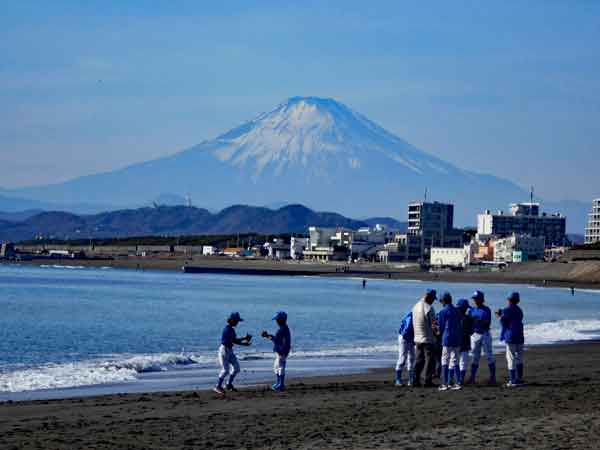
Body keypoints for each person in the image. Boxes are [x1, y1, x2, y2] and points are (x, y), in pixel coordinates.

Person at [214, 312, 252, 395]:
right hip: (224, 350)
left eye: (237, 321)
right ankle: (218, 386)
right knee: (225, 370)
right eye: (236, 321)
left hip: (229, 350)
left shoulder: (231, 329)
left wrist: (245, 338)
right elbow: (233, 341)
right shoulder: (227, 329)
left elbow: (234, 340)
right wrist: (244, 342)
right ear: (231, 320)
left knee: (236, 368)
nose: (237, 322)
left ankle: (228, 384)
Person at [467, 290, 496, 385]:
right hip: (475, 335)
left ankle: (492, 377)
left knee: (489, 356)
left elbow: (487, 322)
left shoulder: (486, 309)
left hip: (485, 334)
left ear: (481, 299)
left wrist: (476, 320)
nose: (475, 300)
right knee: (475, 356)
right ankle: (472, 378)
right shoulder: (471, 310)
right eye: (474, 299)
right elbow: (468, 323)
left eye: (476, 299)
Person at [496, 292, 525, 387]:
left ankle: (512, 380)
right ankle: (519, 378)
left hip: (511, 336)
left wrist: (499, 316)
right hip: (520, 336)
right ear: (518, 301)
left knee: (511, 358)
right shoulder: (519, 310)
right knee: (519, 358)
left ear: (508, 300)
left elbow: (503, 322)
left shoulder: (507, 309)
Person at [436, 292, 463, 391]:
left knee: (445, 360)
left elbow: (441, 327)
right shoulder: (457, 311)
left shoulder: (443, 312)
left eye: (441, 301)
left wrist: (437, 330)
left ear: (443, 301)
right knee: (455, 360)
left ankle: (445, 383)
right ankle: (458, 383)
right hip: (456, 338)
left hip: (447, 338)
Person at [412, 289, 438, 388]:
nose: (433, 301)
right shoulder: (429, 308)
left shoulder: (415, 306)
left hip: (417, 338)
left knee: (419, 360)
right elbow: (434, 325)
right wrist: (437, 335)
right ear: (429, 297)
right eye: (433, 299)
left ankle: (415, 379)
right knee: (429, 360)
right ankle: (427, 380)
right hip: (427, 338)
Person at [261, 311, 292, 392]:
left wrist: (266, 335)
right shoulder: (284, 328)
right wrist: (268, 336)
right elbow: (277, 339)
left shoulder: (282, 329)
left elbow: (276, 340)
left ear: (281, 320)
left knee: (280, 367)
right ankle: (279, 382)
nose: (276, 321)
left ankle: (281, 385)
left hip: (282, 351)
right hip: (281, 351)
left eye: (277, 320)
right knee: (276, 366)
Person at [457, 299, 474, 386]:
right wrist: (471, 319)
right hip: (465, 343)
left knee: (453, 362)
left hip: (454, 342)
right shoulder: (467, 319)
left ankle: (453, 379)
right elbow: (471, 332)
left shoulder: (454, 317)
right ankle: (460, 380)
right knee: (463, 362)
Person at [395, 311, 415, 387]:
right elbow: (405, 332)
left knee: (412, 358)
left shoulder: (417, 316)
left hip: (411, 338)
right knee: (402, 358)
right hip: (404, 338)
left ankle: (410, 379)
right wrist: (412, 341)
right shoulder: (410, 318)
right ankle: (398, 379)